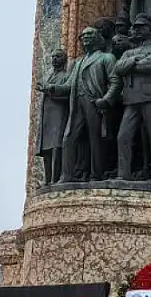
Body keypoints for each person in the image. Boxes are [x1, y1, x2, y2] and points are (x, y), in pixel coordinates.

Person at [48, 28, 122, 182]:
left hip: (95, 102)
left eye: (90, 35)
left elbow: (116, 82)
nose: (86, 38)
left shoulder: (106, 58)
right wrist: (52, 88)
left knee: (95, 139)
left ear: (97, 39)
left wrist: (106, 100)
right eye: (83, 36)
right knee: (68, 138)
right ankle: (67, 175)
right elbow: (69, 85)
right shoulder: (77, 62)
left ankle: (96, 174)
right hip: (77, 103)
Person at [115, 13, 151, 182]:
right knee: (123, 136)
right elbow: (118, 68)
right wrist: (135, 60)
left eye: (141, 27)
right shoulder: (129, 52)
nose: (136, 30)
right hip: (132, 98)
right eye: (135, 27)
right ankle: (123, 174)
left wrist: (132, 64)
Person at [34, 49, 71, 184]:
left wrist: (49, 89)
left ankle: (55, 178)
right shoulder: (49, 76)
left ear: (64, 59)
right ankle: (48, 179)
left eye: (58, 56)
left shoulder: (66, 76)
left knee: (56, 146)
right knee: (46, 148)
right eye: (53, 56)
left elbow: (68, 92)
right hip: (47, 117)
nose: (55, 59)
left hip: (59, 114)